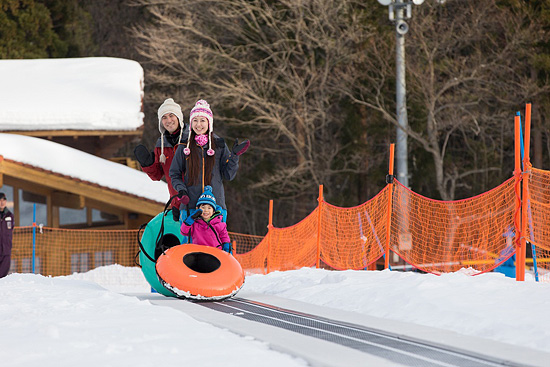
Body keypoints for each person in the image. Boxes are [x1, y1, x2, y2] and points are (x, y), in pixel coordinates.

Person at [169, 99, 249, 222]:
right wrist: (181, 190)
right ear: (190, 123)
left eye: (202, 120)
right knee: (190, 241)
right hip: (191, 207)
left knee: (215, 241)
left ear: (209, 122)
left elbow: (228, 175)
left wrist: (234, 156)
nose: (198, 124)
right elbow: (174, 173)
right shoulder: (184, 145)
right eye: (195, 120)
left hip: (216, 207)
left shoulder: (219, 145)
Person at [134, 98, 189, 221]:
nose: (168, 120)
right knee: (184, 238)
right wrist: (148, 164)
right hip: (177, 203)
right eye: (164, 117)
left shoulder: (192, 138)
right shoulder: (161, 145)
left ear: (179, 117)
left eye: (171, 115)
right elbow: (157, 175)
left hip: (198, 200)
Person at [180, 186, 232, 253]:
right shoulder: (195, 223)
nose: (205, 210)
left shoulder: (219, 224)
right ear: (197, 209)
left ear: (213, 211)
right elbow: (184, 232)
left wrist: (227, 248)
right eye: (203, 207)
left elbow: (225, 238)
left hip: (215, 253)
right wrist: (190, 219)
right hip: (198, 252)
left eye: (209, 208)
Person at [0, 192, 14, 278]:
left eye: (3, 200)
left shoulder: (10, 215)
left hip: (6, 250)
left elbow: (11, 229)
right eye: (0, 200)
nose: (2, 202)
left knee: (3, 276)